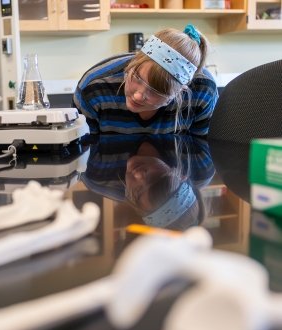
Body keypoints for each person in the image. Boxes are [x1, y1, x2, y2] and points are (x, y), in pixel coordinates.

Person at [73, 24, 218, 136]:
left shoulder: (203, 91)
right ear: (133, 61)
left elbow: (205, 156)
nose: (138, 96)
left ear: (181, 90)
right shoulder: (94, 87)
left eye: (156, 91)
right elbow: (82, 155)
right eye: (136, 77)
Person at [82, 134, 214, 230]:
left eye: (138, 192)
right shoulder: (200, 162)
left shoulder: (97, 172)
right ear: (181, 176)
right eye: (157, 179)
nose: (138, 174)